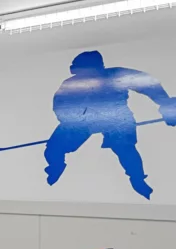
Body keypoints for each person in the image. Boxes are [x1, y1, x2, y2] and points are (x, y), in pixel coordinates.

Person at [44, 51, 176, 199]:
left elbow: (149, 85)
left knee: (125, 148)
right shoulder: (70, 84)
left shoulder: (117, 75)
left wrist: (167, 105)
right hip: (82, 120)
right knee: (53, 148)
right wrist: (75, 122)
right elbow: (60, 106)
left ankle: (137, 179)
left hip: (115, 118)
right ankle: (56, 166)